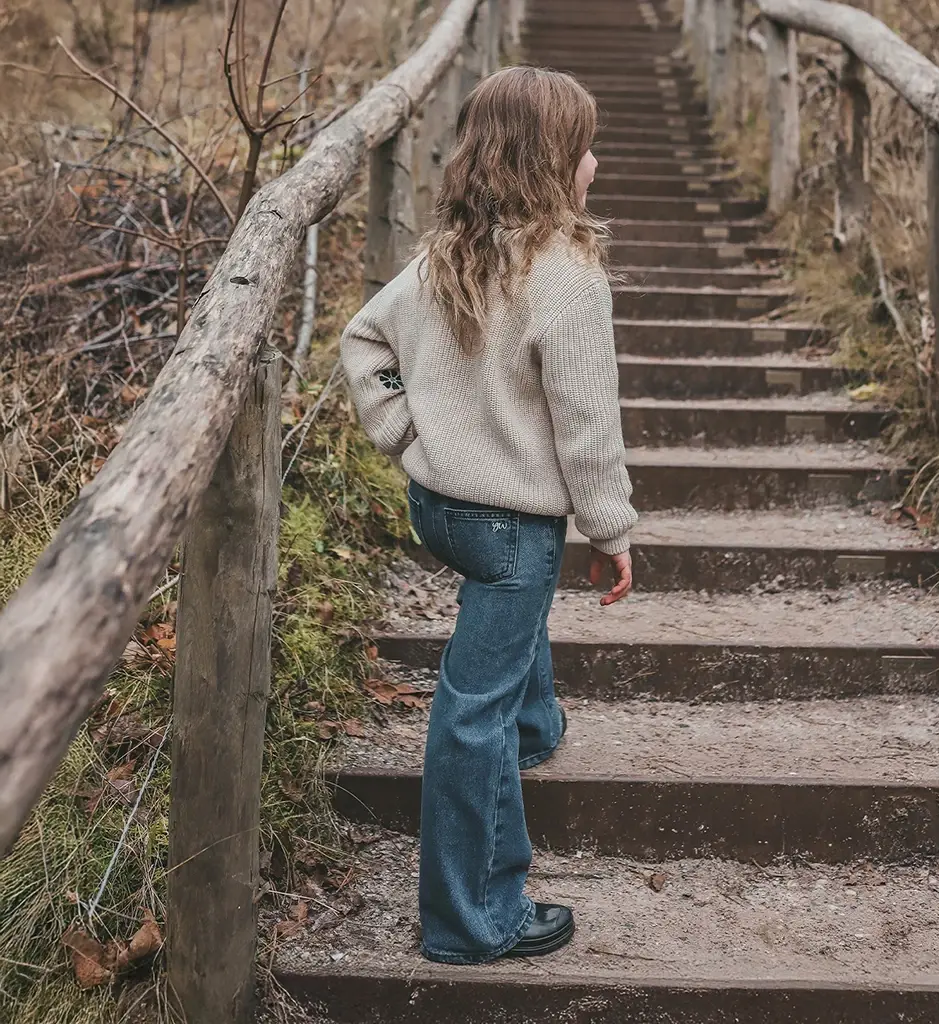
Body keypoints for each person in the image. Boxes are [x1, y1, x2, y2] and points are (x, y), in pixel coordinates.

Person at [340, 65, 637, 965]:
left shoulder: (447, 254)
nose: (595, 162)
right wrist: (610, 530)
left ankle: (534, 729)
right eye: (585, 147)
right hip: (510, 531)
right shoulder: (569, 276)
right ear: (552, 160)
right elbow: (588, 427)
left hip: (439, 509)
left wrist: (404, 435)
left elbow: (364, 338)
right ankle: (473, 918)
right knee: (472, 715)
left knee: (503, 652)